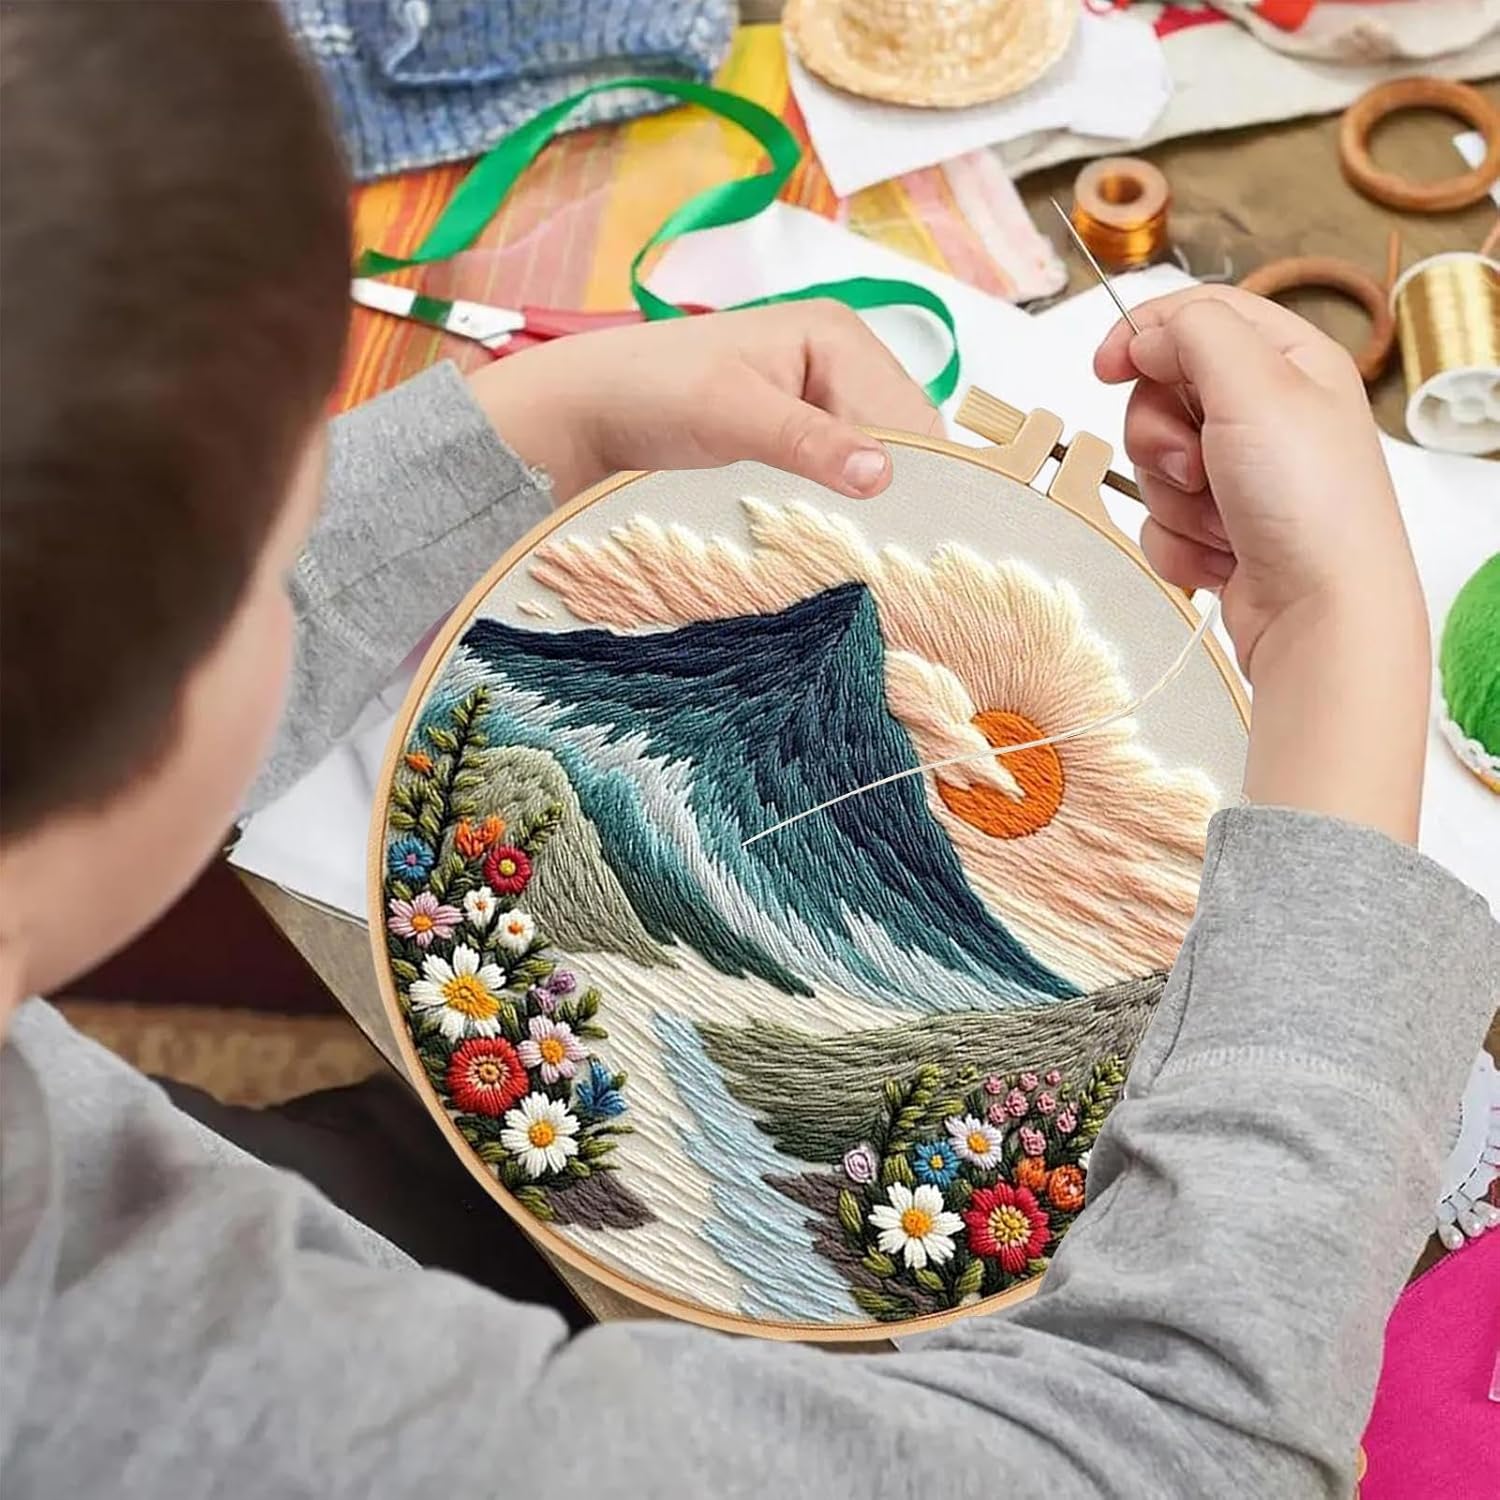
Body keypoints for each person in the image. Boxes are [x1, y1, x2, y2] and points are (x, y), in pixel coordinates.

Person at [0, 5, 1494, 1498]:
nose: (293, 569)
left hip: (288, 1192)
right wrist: (1342, 652)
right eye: (279, 523)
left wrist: (550, 417)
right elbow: (1171, 1448)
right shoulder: (172, 1400)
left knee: (423, 1167)